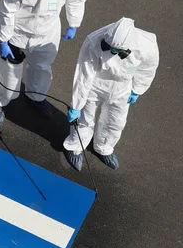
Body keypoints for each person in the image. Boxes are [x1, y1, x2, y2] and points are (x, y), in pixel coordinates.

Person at [0, 0, 87, 127]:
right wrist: (3, 38)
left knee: (42, 68)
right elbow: (7, 10)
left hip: (47, 31)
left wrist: (74, 23)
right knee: (8, 70)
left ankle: (36, 97)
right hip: (18, 32)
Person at [63, 18, 159, 170]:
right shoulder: (94, 40)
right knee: (84, 119)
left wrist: (137, 89)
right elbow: (84, 75)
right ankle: (75, 147)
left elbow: (148, 68)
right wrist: (77, 105)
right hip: (95, 84)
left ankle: (104, 147)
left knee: (116, 122)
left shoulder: (147, 44)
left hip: (122, 87)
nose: (112, 52)